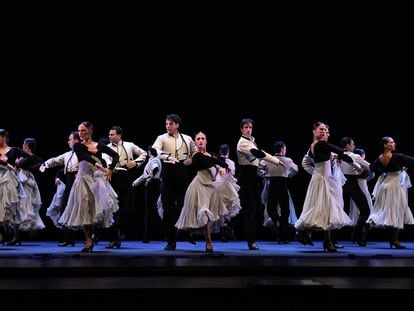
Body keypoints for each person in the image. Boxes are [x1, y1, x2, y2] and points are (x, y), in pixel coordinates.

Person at [59, 121, 120, 252]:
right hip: (83, 179)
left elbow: (116, 156)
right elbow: (83, 156)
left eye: (83, 131)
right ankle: (89, 240)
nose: (80, 133)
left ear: (90, 131)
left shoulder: (99, 145)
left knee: (100, 208)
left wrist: (110, 169)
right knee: (84, 209)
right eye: (79, 131)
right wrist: (96, 163)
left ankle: (109, 236)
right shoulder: (77, 146)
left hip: (96, 180)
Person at [175, 132, 241, 252]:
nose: (200, 140)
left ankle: (187, 231)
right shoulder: (197, 155)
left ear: (206, 141)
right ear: (195, 142)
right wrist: (219, 165)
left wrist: (222, 165)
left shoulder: (210, 154)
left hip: (211, 187)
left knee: (208, 216)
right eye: (198, 139)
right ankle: (208, 242)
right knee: (204, 214)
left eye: (203, 138)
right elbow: (206, 162)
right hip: (200, 186)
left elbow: (222, 161)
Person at [295, 122, 353, 252]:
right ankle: (320, 239)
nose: (324, 132)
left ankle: (320, 239)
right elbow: (339, 150)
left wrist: (334, 157)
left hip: (322, 179)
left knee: (324, 210)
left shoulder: (314, 145)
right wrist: (342, 154)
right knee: (324, 209)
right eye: (321, 130)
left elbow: (326, 155)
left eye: (326, 130)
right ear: (314, 131)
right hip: (322, 180)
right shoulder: (321, 143)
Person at [152, 114, 197, 250]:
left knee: (185, 204)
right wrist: (168, 157)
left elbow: (195, 151)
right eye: (166, 124)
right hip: (168, 170)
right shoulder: (162, 138)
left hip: (182, 170)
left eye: (170, 124)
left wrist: (191, 159)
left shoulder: (187, 138)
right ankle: (171, 240)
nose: (168, 126)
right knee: (168, 206)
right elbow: (155, 150)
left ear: (177, 125)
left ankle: (186, 231)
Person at [236, 118, 283, 250]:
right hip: (246, 177)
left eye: (250, 127)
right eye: (246, 127)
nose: (248, 129)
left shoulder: (252, 141)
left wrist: (264, 166)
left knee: (258, 208)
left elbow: (257, 158)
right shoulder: (243, 143)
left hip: (253, 176)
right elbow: (258, 153)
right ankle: (251, 241)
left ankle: (253, 237)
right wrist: (276, 161)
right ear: (241, 129)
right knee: (250, 210)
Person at [103, 126, 147, 248]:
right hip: (113, 177)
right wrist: (110, 168)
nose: (110, 136)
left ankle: (119, 229)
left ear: (119, 135)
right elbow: (106, 159)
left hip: (126, 176)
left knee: (129, 207)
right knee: (113, 208)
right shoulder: (106, 148)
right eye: (109, 134)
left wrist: (136, 162)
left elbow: (143, 153)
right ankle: (114, 238)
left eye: (112, 134)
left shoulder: (129, 145)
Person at [368, 136, 414, 249]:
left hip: (385, 185)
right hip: (395, 187)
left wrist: (385, 171)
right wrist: (403, 166)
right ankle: (394, 240)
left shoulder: (380, 158)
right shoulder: (397, 156)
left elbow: (372, 168)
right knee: (398, 211)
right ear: (385, 145)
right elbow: (411, 160)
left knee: (384, 209)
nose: (394, 144)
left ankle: (372, 222)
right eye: (391, 142)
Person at [40, 131, 80, 246]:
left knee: (83, 210)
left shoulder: (83, 153)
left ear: (76, 140)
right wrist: (45, 164)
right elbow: (56, 160)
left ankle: (91, 235)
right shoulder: (67, 155)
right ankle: (68, 238)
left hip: (80, 184)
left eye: (70, 139)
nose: (68, 141)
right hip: (69, 184)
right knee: (63, 210)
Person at [260, 141, 298, 243]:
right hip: (282, 185)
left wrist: (265, 174)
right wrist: (288, 174)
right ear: (282, 149)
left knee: (271, 208)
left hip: (272, 184)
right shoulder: (287, 160)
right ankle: (282, 234)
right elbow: (296, 169)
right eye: (285, 149)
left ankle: (278, 223)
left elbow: (259, 170)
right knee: (285, 210)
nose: (285, 151)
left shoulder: (269, 159)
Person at [11, 138, 45, 245]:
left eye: (24, 144)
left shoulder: (33, 157)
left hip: (27, 183)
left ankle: (31, 230)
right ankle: (16, 236)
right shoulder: (21, 156)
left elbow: (42, 164)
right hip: (18, 181)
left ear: (27, 145)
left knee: (28, 206)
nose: (22, 146)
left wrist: (30, 169)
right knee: (17, 207)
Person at [340, 137, 372, 246]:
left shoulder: (337, 155)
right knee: (365, 210)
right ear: (348, 145)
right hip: (351, 182)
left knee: (335, 209)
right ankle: (357, 235)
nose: (354, 146)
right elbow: (369, 166)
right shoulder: (354, 156)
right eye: (352, 144)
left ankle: (332, 239)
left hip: (339, 182)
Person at [0, 129, 26, 244]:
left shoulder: (14, 150)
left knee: (12, 205)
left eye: (3, 137)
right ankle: (1, 234)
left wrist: (19, 163)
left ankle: (16, 235)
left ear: (6, 138)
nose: (1, 139)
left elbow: (28, 157)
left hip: (9, 179)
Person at [132, 146, 163, 243]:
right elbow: (144, 176)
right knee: (149, 212)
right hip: (152, 184)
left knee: (151, 211)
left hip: (153, 185)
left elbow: (155, 169)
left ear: (150, 152)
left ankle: (163, 232)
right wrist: (135, 183)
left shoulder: (155, 160)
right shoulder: (152, 161)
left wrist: (149, 179)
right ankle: (147, 235)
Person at [218, 143, 237, 242]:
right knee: (228, 209)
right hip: (228, 187)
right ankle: (226, 230)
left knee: (220, 209)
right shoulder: (232, 162)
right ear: (228, 152)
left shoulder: (216, 161)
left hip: (218, 187)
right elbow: (232, 174)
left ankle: (223, 232)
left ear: (220, 152)